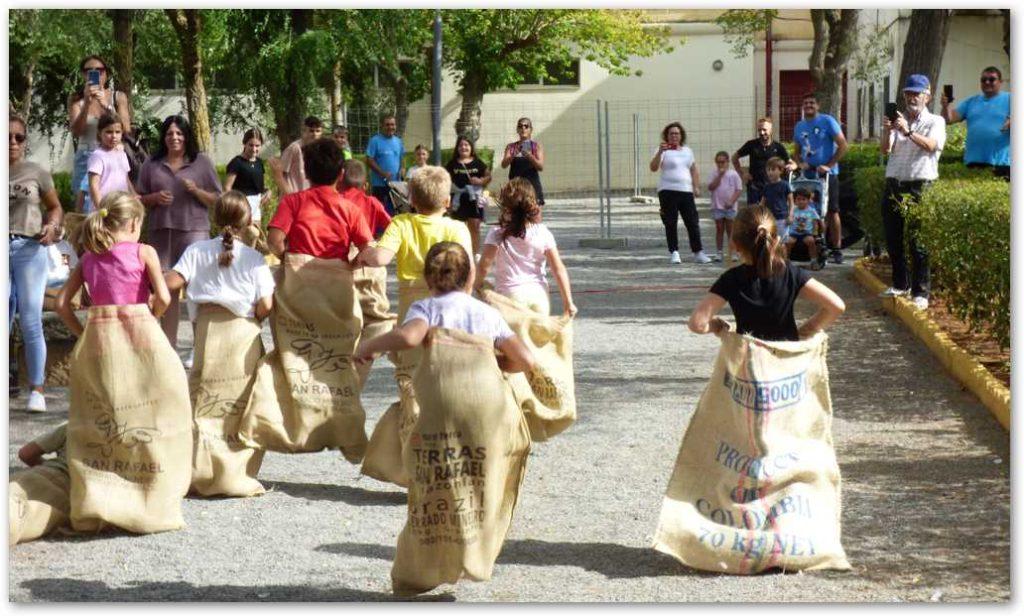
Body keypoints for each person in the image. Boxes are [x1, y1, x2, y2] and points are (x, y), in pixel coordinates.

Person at [355, 241, 534, 374]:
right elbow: (526, 360)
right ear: (469, 277)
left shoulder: (425, 309)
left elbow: (409, 337)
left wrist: (368, 346)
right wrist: (494, 362)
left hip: (443, 399)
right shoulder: (488, 313)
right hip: (484, 406)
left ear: (426, 278)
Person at [688, 205, 845, 342]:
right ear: (776, 239)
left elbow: (697, 324)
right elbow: (836, 306)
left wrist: (719, 326)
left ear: (735, 244)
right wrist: (806, 330)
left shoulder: (731, 279)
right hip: (787, 363)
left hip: (750, 365)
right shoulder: (791, 274)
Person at [136, 114, 222, 351]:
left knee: (196, 291)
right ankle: (169, 348)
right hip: (162, 233)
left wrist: (196, 191)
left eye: (179, 133)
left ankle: (200, 348)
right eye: (170, 133)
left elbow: (217, 198)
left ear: (186, 137)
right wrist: (153, 198)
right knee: (166, 292)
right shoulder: (151, 164)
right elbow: (139, 198)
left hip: (194, 233)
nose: (174, 137)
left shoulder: (201, 162)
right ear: (163, 137)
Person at [55, 192, 171, 337]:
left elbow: (61, 303)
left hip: (103, 337)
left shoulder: (87, 258)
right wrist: (153, 316)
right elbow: (164, 298)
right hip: (138, 333)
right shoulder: (144, 252)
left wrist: (83, 336)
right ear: (134, 224)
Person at [355, 166, 475, 304]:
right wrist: (465, 297)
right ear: (447, 201)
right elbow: (470, 268)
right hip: (447, 300)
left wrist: (364, 254)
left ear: (412, 201)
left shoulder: (401, 223)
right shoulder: (458, 228)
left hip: (411, 304)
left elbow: (380, 258)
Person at [9, 114, 64, 413]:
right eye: (7, 137)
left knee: (31, 318)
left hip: (29, 246)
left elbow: (55, 207)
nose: (13, 142)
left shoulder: (36, 172)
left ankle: (38, 389)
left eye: (19, 137)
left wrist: (52, 226)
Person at [879, 74, 946, 311]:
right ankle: (900, 284)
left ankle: (921, 292)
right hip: (894, 184)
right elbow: (886, 150)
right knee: (893, 238)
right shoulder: (899, 121)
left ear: (927, 96)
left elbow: (931, 146)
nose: (911, 98)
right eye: (908, 93)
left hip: (920, 185)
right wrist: (888, 130)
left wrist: (908, 132)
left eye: (916, 93)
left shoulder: (936, 121)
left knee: (918, 241)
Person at [164, 190, 275, 322]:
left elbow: (170, 282)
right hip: (245, 330)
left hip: (205, 331)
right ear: (249, 220)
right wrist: (255, 320)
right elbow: (266, 305)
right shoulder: (255, 258)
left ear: (215, 219)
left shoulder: (195, 251)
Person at [476, 178, 577, 317]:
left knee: (507, 338)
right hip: (539, 296)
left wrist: (476, 284)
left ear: (505, 207)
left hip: (510, 297)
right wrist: (568, 302)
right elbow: (558, 269)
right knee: (538, 338)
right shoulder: (543, 232)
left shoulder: (497, 232)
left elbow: (484, 266)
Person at [267, 137, 373, 262]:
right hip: (338, 277)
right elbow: (367, 249)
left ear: (306, 173)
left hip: (299, 278)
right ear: (341, 175)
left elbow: (274, 241)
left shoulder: (292, 202)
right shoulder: (351, 210)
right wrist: (351, 266)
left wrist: (287, 261)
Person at [67, 54, 132, 213]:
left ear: (106, 74)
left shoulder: (118, 97)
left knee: (113, 204)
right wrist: (87, 104)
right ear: (83, 74)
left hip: (112, 155)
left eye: (99, 70)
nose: (94, 73)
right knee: (85, 209)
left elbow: (126, 128)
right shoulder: (76, 99)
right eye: (89, 70)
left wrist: (106, 106)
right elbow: (76, 132)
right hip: (86, 155)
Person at [792, 92, 848, 264]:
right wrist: (800, 163)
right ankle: (816, 246)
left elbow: (843, 145)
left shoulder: (827, 121)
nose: (809, 106)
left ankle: (836, 248)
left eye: (812, 103)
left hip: (828, 175)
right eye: (806, 103)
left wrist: (828, 166)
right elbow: (796, 151)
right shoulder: (799, 126)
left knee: (832, 210)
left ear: (817, 105)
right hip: (808, 177)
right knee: (813, 211)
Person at [650, 122, 711, 265]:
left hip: (685, 191)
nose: (674, 136)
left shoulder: (688, 151)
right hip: (667, 190)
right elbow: (653, 168)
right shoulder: (663, 150)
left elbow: (693, 170)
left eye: (677, 133)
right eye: (671, 133)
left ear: (681, 135)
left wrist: (696, 187)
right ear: (667, 136)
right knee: (670, 222)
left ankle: (698, 252)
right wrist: (660, 152)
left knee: (692, 222)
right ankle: (674, 252)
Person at [940, 66, 1010, 179]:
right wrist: (945, 106)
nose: (987, 82)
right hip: (973, 162)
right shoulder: (971, 101)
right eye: (983, 80)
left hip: (1002, 164)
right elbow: (949, 119)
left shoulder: (1011, 99)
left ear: (1000, 82)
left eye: (992, 79)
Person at [445, 135, 491, 258]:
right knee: (457, 228)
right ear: (457, 148)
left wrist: (481, 181)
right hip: (457, 200)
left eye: (466, 145)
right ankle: (458, 253)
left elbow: (488, 176)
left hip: (474, 200)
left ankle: (475, 253)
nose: (463, 147)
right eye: (461, 145)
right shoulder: (452, 164)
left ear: (471, 147)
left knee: (474, 226)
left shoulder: (477, 162)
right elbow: (444, 179)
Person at [732, 117, 795, 205]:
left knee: (771, 217)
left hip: (772, 189)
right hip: (754, 189)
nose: (761, 133)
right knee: (755, 217)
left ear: (771, 130)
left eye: (764, 130)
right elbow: (734, 158)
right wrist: (742, 174)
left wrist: (792, 166)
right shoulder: (751, 145)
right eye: (759, 130)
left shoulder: (778, 147)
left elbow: (792, 163)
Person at [86, 112, 134, 208]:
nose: (114, 136)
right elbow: (94, 186)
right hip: (104, 207)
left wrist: (133, 195)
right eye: (109, 132)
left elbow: (126, 179)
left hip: (121, 206)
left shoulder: (122, 154)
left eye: (117, 132)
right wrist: (101, 209)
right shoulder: (98, 156)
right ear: (100, 133)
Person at [224, 128, 271, 226]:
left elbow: (260, 186)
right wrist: (234, 207)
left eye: (257, 145)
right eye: (251, 145)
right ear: (244, 144)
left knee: (255, 235)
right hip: (241, 205)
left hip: (256, 206)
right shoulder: (236, 162)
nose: (254, 149)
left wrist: (268, 192)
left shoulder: (259, 163)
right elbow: (227, 188)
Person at [338, 159, 392, 238]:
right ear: (365, 186)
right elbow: (392, 226)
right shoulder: (372, 202)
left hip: (338, 248)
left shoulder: (333, 202)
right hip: (366, 247)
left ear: (339, 181)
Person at [707, 150, 744, 262]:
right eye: (718, 162)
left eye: (723, 162)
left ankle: (733, 251)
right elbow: (711, 187)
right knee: (719, 229)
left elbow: (738, 190)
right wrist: (719, 176)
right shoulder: (713, 173)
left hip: (730, 207)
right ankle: (719, 252)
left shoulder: (733, 174)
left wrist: (731, 201)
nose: (720, 164)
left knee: (730, 230)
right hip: (717, 206)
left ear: (728, 162)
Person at [501, 117, 545, 205]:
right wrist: (514, 154)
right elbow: (504, 165)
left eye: (526, 126)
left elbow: (540, 167)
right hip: (515, 187)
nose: (523, 128)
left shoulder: (536, 146)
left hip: (532, 187)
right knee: (516, 216)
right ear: (517, 129)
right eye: (520, 126)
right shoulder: (511, 147)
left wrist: (529, 156)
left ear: (531, 129)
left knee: (533, 216)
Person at [366, 114, 405, 215]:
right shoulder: (375, 141)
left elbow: (401, 158)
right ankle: (378, 230)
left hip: (396, 184)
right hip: (379, 184)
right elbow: (369, 160)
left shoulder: (398, 141)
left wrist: (402, 168)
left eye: (392, 124)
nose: (390, 127)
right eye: (387, 125)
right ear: (382, 126)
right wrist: (382, 173)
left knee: (396, 210)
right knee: (378, 211)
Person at [277, 116, 323, 195]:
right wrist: (287, 193)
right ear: (304, 131)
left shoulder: (320, 151)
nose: (315, 134)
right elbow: (280, 172)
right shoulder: (294, 148)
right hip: (293, 196)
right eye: (311, 131)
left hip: (309, 197)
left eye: (318, 131)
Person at [785, 187, 823, 267]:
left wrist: (815, 233)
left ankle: (814, 260)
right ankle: (786, 260)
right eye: (798, 199)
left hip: (807, 233)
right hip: (793, 233)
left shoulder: (811, 210)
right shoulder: (793, 210)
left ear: (808, 200)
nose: (801, 201)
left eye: (803, 199)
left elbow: (815, 222)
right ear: (795, 201)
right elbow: (787, 219)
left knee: (811, 241)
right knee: (788, 242)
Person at [758, 157, 794, 241]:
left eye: (773, 169)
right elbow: (762, 203)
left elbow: (791, 202)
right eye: (768, 170)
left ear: (781, 170)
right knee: (770, 241)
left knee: (782, 242)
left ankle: (783, 254)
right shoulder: (766, 187)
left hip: (782, 219)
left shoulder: (785, 185)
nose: (770, 172)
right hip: (769, 218)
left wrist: (790, 215)